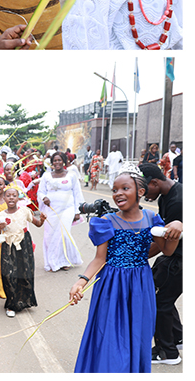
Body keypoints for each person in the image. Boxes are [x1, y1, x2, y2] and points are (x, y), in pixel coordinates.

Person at [71, 168, 181, 372]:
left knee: (138, 335)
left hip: (141, 285)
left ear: (140, 192)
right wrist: (81, 281)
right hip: (111, 285)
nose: (118, 193)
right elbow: (99, 259)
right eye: (114, 190)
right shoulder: (106, 222)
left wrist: (177, 227)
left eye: (124, 188)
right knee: (109, 337)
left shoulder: (151, 219)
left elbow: (167, 250)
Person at [139, 163, 183, 365]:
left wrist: (138, 255)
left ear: (155, 182)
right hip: (173, 257)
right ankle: (177, 336)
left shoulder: (178, 201)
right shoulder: (167, 195)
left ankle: (168, 352)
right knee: (164, 295)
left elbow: (165, 243)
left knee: (159, 303)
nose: (144, 195)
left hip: (179, 259)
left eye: (145, 190)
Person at [0, 185, 45, 317]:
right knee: (9, 274)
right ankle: (11, 304)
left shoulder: (25, 211)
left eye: (14, 195)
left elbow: (38, 224)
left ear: (18, 198)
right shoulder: (0, 215)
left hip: (24, 243)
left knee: (25, 271)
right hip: (8, 244)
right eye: (8, 195)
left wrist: (43, 220)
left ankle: (24, 300)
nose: (11, 197)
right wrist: (1, 228)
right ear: (4, 198)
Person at [38, 151, 85, 271]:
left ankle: (65, 260)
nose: (57, 162)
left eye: (59, 160)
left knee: (64, 234)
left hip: (67, 209)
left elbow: (77, 193)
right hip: (51, 210)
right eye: (55, 160)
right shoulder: (46, 176)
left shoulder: (71, 175)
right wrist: (44, 198)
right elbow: (41, 192)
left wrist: (77, 211)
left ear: (64, 161)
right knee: (50, 236)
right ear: (52, 162)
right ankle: (53, 261)